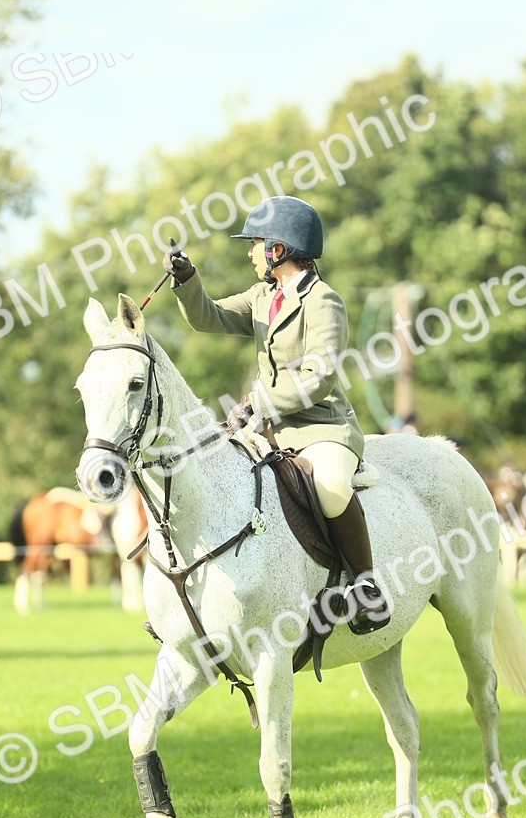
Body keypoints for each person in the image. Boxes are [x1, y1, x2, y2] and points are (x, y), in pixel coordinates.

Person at [163, 194, 390, 634]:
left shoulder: (324, 300)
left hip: (321, 427)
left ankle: (365, 586)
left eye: (255, 243)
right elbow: (208, 317)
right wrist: (188, 280)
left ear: (278, 250)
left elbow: (319, 375)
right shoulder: (262, 295)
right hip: (269, 432)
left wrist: (258, 401)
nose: (249, 252)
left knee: (327, 486)